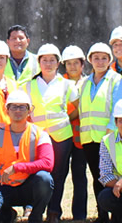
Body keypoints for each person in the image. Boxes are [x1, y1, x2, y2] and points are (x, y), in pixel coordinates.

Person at [0, 90, 56, 223]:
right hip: (3, 186)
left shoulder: (40, 134)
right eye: (14, 106)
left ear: (29, 110)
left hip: (28, 187)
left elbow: (47, 163)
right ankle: (7, 215)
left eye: (22, 107)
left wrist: (16, 167)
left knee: (45, 179)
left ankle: (36, 216)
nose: (18, 110)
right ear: (7, 110)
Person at [26, 43, 80, 223]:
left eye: (52, 60)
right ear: (39, 62)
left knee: (58, 174)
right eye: (44, 60)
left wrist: (66, 119)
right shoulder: (28, 85)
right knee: (39, 174)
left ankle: (54, 212)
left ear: (58, 63)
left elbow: (79, 107)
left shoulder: (66, 84)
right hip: (38, 138)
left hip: (61, 137)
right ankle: (37, 211)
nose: (48, 64)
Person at [78, 42, 122, 222]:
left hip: (108, 138)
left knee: (111, 177)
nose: (99, 61)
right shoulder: (85, 83)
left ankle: (119, 214)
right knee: (97, 178)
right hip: (89, 138)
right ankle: (102, 214)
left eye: (104, 58)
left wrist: (110, 133)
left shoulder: (117, 80)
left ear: (109, 60)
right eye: (96, 58)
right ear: (90, 60)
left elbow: (117, 108)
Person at [61, 45, 90, 222]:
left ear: (82, 64)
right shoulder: (58, 82)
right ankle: (53, 211)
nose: (72, 67)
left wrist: (71, 116)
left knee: (80, 176)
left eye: (76, 63)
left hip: (82, 137)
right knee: (58, 174)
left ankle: (79, 215)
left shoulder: (88, 82)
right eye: (69, 63)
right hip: (62, 135)